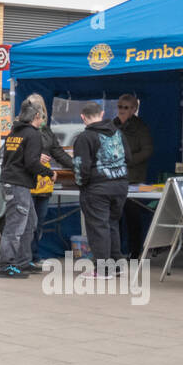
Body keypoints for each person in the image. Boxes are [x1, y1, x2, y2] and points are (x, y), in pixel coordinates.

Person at [72, 101, 129, 274]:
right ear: (102, 114)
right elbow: (130, 158)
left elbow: (81, 167)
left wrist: (81, 185)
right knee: (112, 224)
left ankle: (103, 269)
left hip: (97, 188)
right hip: (120, 185)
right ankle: (117, 264)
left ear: (83, 117)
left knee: (98, 227)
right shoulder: (118, 133)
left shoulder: (84, 137)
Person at [0, 103, 52, 278]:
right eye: (42, 116)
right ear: (37, 116)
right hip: (17, 184)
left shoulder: (14, 132)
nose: (43, 120)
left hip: (11, 182)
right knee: (15, 227)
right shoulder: (33, 134)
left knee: (30, 221)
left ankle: (23, 261)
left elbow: (7, 159)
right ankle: (6, 266)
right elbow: (31, 162)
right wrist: (48, 173)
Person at [22, 94, 74, 265]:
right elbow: (15, 155)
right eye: (32, 106)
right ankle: (23, 258)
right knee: (27, 223)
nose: (37, 111)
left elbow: (57, 152)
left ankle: (34, 256)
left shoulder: (46, 131)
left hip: (44, 184)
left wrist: (77, 166)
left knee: (39, 222)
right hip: (25, 183)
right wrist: (36, 157)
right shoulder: (21, 129)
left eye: (39, 107)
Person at [112, 94, 153, 256]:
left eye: (126, 107)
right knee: (114, 218)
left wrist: (126, 160)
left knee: (132, 217)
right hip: (113, 178)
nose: (121, 110)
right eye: (120, 106)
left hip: (133, 179)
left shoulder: (140, 127)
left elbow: (147, 150)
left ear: (134, 109)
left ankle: (135, 252)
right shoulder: (112, 125)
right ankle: (116, 252)